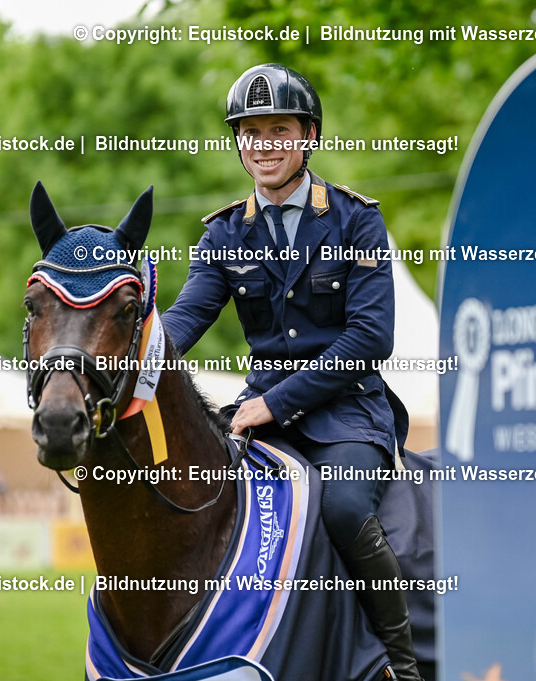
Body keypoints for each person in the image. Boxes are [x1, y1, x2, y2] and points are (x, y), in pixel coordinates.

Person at [161, 63, 422, 681]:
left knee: (345, 509)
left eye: (279, 130)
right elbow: (183, 321)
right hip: (260, 418)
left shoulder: (357, 220)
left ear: (307, 134)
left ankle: (400, 664)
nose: (265, 145)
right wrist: (121, 349)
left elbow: (369, 339)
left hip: (346, 413)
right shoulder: (224, 233)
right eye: (252, 133)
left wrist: (273, 405)